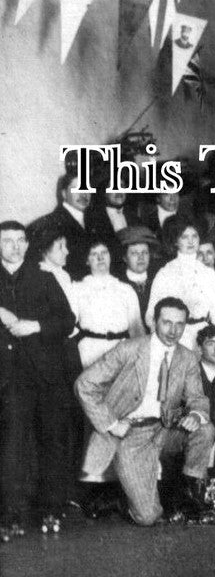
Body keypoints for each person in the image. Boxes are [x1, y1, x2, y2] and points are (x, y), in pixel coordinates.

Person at [75, 297, 214, 526]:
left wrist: (194, 415)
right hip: (132, 433)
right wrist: (111, 424)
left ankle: (187, 491)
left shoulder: (187, 358)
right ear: (153, 322)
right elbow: (84, 384)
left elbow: (198, 399)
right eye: (167, 322)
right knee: (148, 517)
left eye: (180, 324)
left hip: (166, 428)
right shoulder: (129, 349)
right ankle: (120, 498)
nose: (173, 330)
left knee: (205, 429)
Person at [0, 220, 76, 536]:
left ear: (28, 245)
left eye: (20, 240)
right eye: (7, 241)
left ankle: (52, 510)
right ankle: (12, 514)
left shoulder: (44, 279)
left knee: (52, 443)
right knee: (12, 445)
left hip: (46, 375)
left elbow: (66, 320)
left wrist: (35, 326)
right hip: (10, 377)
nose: (15, 246)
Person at [147, 216, 215, 350]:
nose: (191, 241)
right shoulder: (165, 273)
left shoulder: (208, 273)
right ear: (176, 241)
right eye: (184, 237)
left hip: (204, 336)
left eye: (194, 236)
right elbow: (151, 315)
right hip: (175, 337)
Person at [75, 239, 144, 369]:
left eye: (104, 252)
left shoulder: (125, 289)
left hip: (122, 349)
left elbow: (136, 329)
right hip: (91, 350)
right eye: (94, 254)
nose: (100, 257)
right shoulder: (78, 289)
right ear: (86, 260)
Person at [115, 226, 157, 326]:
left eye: (144, 252)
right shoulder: (118, 284)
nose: (141, 257)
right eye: (134, 253)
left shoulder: (158, 280)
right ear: (125, 257)